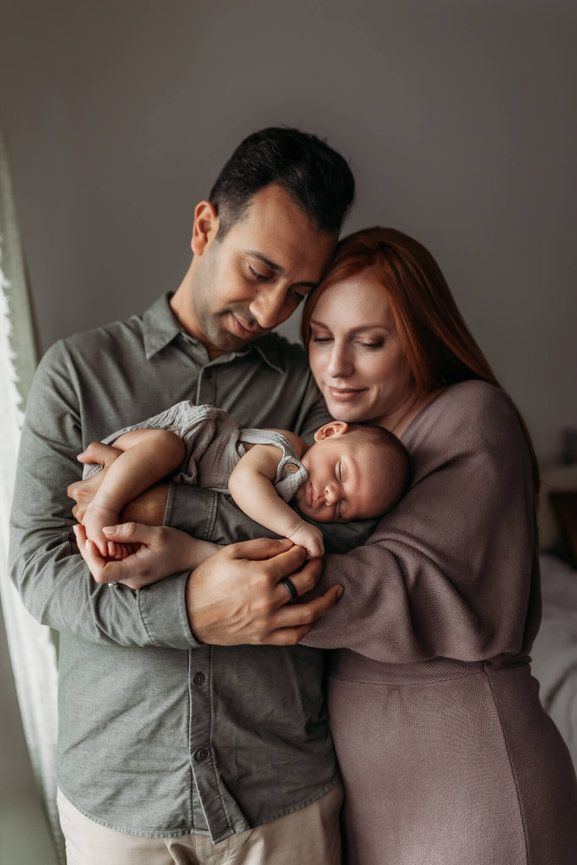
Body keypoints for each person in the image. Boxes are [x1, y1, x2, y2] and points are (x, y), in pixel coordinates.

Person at [79, 226, 577, 864]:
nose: (336, 367)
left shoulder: (471, 417)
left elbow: (383, 587)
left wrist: (193, 551)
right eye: (320, 337)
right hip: (375, 789)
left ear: (419, 339)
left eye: (369, 342)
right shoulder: (337, 445)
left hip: (467, 774)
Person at [9, 126, 360, 865]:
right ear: (204, 227)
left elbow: (336, 545)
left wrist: (166, 510)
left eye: (296, 291)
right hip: (119, 796)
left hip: (280, 794)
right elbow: (41, 568)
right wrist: (187, 609)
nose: (270, 311)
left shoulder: (311, 384)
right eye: (259, 270)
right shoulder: (76, 373)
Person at [79, 402, 410, 561]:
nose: (329, 495)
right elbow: (243, 483)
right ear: (328, 432)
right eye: (339, 473)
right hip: (160, 447)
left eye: (341, 508)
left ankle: (109, 525)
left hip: (155, 480)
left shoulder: (287, 498)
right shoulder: (288, 448)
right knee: (168, 447)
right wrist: (295, 529)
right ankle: (103, 508)